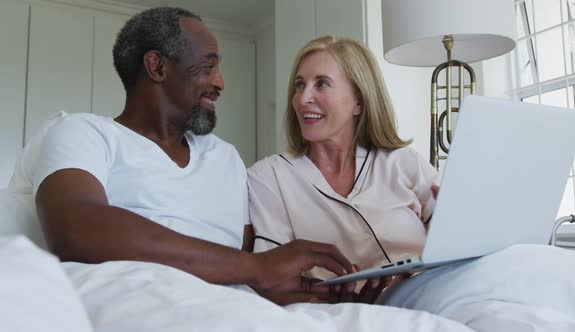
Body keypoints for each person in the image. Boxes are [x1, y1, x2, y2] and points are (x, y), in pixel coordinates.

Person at [33, 7, 355, 305]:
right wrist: (256, 267)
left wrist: (323, 292)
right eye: (207, 66)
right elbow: (76, 228)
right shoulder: (84, 133)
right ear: (157, 66)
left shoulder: (225, 158)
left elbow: (248, 273)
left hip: (236, 313)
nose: (220, 82)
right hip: (135, 307)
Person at [247, 35, 439, 303]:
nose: (302, 99)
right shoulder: (269, 176)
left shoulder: (404, 163)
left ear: (358, 101)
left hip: (425, 300)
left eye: (322, 84)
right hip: (327, 316)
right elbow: (269, 280)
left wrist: (456, 222)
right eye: (299, 85)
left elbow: (456, 246)